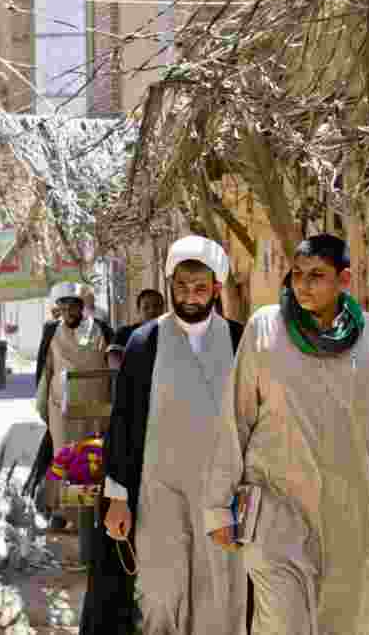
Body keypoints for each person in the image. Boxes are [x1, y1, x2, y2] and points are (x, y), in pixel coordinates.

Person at [204, 234, 369, 635]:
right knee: (283, 624)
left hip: (354, 519)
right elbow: (233, 421)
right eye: (297, 274)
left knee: (350, 625)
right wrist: (218, 507)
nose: (302, 285)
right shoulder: (264, 330)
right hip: (276, 512)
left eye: (316, 276)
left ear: (344, 280)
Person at [88, 235, 247, 635]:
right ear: (169, 285)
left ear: (215, 288)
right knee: (160, 598)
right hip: (159, 494)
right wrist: (118, 499)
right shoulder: (145, 343)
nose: (190, 297)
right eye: (181, 287)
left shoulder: (239, 340)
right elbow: (123, 424)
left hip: (222, 498)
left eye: (199, 288)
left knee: (219, 604)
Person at [27, 282, 113, 527]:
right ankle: (66, 514)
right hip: (62, 410)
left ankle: (87, 517)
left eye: (72, 307)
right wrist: (44, 405)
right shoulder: (52, 332)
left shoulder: (101, 331)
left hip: (95, 410)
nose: (68, 312)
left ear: (81, 307)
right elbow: (45, 370)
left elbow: (114, 365)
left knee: (90, 460)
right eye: (62, 308)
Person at [106, 288, 165, 370]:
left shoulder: (170, 335)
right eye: (146, 307)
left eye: (156, 306)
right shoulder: (124, 333)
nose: (152, 311)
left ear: (163, 310)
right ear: (138, 311)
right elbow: (113, 359)